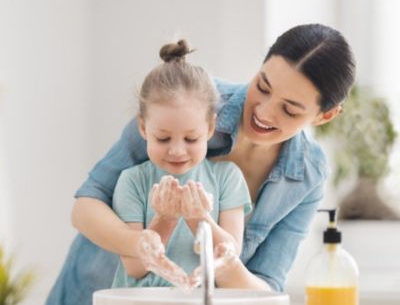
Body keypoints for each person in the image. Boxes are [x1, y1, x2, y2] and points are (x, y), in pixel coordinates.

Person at [46, 23, 355, 305]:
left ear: (324, 115)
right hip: (90, 292)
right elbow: (87, 204)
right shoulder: (189, 99)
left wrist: (221, 252)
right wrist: (143, 243)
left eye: (289, 110)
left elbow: (266, 289)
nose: (264, 111)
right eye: (262, 86)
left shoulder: (307, 176)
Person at [108, 40, 251, 289]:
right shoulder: (132, 181)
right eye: (162, 138)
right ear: (143, 127)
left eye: (190, 138)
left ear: (209, 127)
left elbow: (230, 256)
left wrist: (200, 219)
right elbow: (135, 266)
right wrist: (165, 218)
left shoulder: (228, 178)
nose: (176, 150)